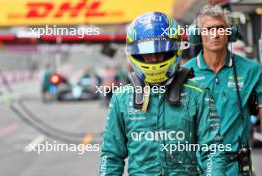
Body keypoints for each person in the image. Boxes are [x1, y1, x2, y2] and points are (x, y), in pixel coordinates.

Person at [99, 12, 225, 176]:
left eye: (159, 52)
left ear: (174, 49)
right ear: (134, 53)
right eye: (147, 53)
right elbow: (111, 156)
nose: (153, 59)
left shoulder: (198, 94)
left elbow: (213, 152)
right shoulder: (122, 98)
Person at [185, 5, 262, 176]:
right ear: (199, 35)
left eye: (221, 28)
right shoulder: (184, 74)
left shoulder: (252, 71)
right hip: (199, 166)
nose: (215, 34)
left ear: (230, 33)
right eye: (209, 29)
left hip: (238, 167)